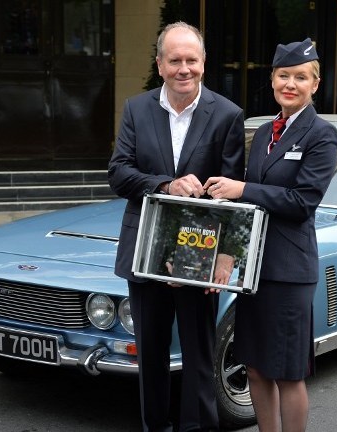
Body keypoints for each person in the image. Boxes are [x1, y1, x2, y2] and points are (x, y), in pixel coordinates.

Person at [107, 22, 245, 432]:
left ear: (203, 62)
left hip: (200, 251)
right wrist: (166, 185)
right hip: (145, 248)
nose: (184, 68)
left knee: (199, 353)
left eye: (191, 60)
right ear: (160, 65)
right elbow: (119, 173)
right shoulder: (136, 109)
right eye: (175, 60)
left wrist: (227, 255)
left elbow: (235, 193)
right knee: (150, 354)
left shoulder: (227, 115)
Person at [203, 38, 337, 431]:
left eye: (300, 77)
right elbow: (247, 208)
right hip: (255, 271)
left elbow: (302, 202)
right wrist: (228, 255)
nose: (290, 84)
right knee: (256, 367)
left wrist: (242, 188)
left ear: (315, 84)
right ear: (273, 79)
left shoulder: (322, 134)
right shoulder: (264, 132)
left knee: (287, 374)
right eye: (283, 76)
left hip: (289, 272)